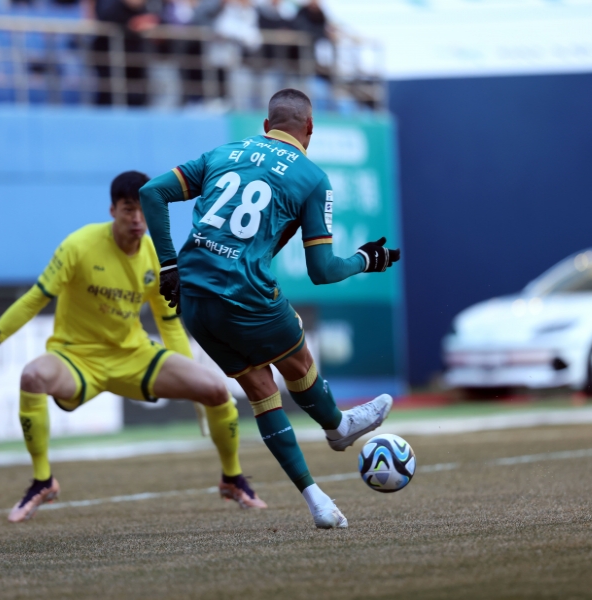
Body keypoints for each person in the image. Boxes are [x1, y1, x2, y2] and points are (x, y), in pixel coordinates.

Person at [0, 171, 266, 523]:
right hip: (76, 357)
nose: (137, 219)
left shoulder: (156, 255)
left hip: (133, 356)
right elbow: (34, 299)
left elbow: (168, 322)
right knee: (32, 376)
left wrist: (193, 378)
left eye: (143, 211)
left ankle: (232, 478)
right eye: (128, 210)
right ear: (112, 210)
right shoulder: (79, 246)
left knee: (215, 388)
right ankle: (43, 481)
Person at [139, 88, 400, 529]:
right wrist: (366, 261)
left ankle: (317, 499)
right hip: (243, 290)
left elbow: (151, 192)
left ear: (266, 125)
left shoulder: (224, 152)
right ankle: (337, 426)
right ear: (310, 129)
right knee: (296, 356)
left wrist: (168, 265)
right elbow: (322, 271)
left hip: (193, 298)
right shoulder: (313, 179)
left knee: (261, 390)